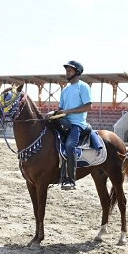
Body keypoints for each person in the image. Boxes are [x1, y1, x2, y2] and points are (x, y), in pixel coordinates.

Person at [45, 60, 94, 190]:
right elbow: (61, 108)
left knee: (69, 145)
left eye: (70, 70)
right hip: (63, 121)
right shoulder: (65, 90)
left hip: (77, 124)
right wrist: (54, 112)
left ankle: (70, 179)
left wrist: (68, 111)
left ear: (77, 72)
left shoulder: (83, 87)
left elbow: (89, 106)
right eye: (67, 70)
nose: (67, 72)